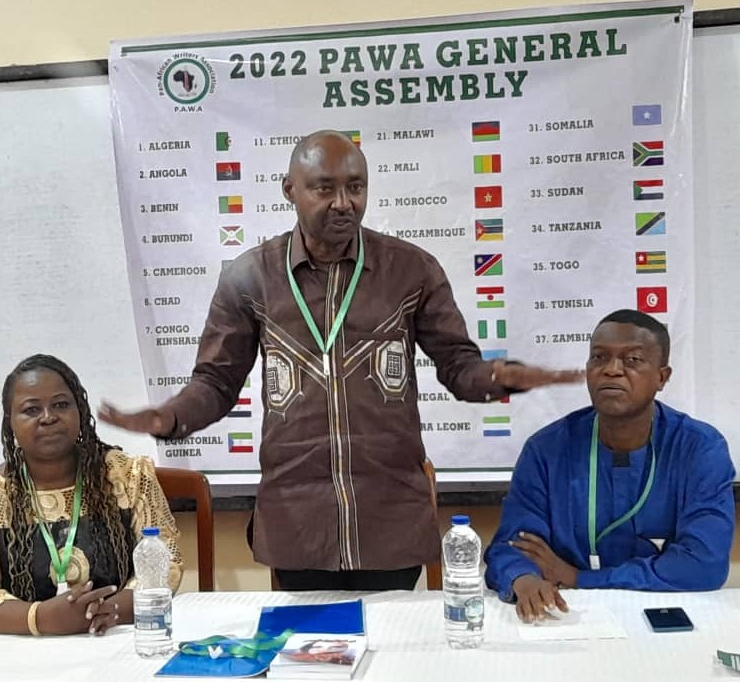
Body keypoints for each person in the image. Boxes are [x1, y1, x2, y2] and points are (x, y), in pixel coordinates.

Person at [100, 130, 582, 591]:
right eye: (324, 188)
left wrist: (498, 377)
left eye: (355, 187)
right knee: (309, 664)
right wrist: (170, 416)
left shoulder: (410, 270)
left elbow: (459, 367)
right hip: (297, 522)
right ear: (290, 189)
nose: (343, 202)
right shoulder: (251, 277)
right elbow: (216, 383)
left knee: (389, 656)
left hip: (390, 518)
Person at [485, 310, 735, 622]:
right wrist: (524, 580)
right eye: (599, 358)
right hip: (566, 612)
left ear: (662, 376)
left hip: (663, 615)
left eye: (632, 360)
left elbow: (703, 565)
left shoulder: (700, 449)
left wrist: (579, 578)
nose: (612, 370)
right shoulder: (547, 449)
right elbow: (513, 547)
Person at [0, 354, 183, 635]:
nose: (48, 417)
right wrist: (40, 618)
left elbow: (167, 562)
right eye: (31, 410)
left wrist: (114, 610)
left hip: (118, 637)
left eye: (61, 405)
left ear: (80, 411)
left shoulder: (129, 477)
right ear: (10, 422)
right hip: (24, 653)